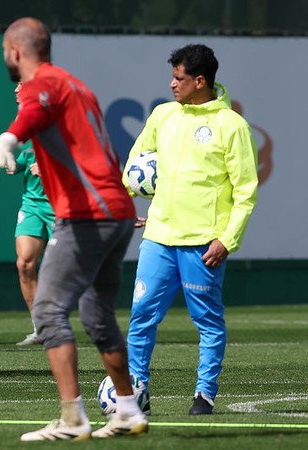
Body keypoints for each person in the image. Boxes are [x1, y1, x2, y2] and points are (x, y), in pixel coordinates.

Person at [0, 17, 148, 440]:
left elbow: (34, 109)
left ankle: (73, 419)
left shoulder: (39, 84)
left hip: (87, 214)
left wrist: (9, 138)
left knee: (48, 311)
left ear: (15, 52)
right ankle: (127, 410)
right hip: (116, 210)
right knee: (97, 315)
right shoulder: (76, 84)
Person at [124, 44, 258, 415]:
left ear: (200, 81)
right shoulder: (162, 116)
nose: (171, 85)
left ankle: (205, 393)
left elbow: (245, 192)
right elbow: (136, 162)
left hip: (203, 243)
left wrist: (226, 239)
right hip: (158, 238)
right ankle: (136, 390)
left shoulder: (232, 126)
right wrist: (136, 186)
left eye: (178, 78)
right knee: (141, 315)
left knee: (207, 321)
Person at [6, 83, 56, 347]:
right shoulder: (20, 123)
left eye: (22, 86)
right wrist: (12, 164)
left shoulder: (56, 120)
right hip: (32, 204)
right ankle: (41, 327)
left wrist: (50, 168)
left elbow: (79, 160)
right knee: (24, 264)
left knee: (62, 269)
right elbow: (21, 161)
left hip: (61, 204)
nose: (16, 90)